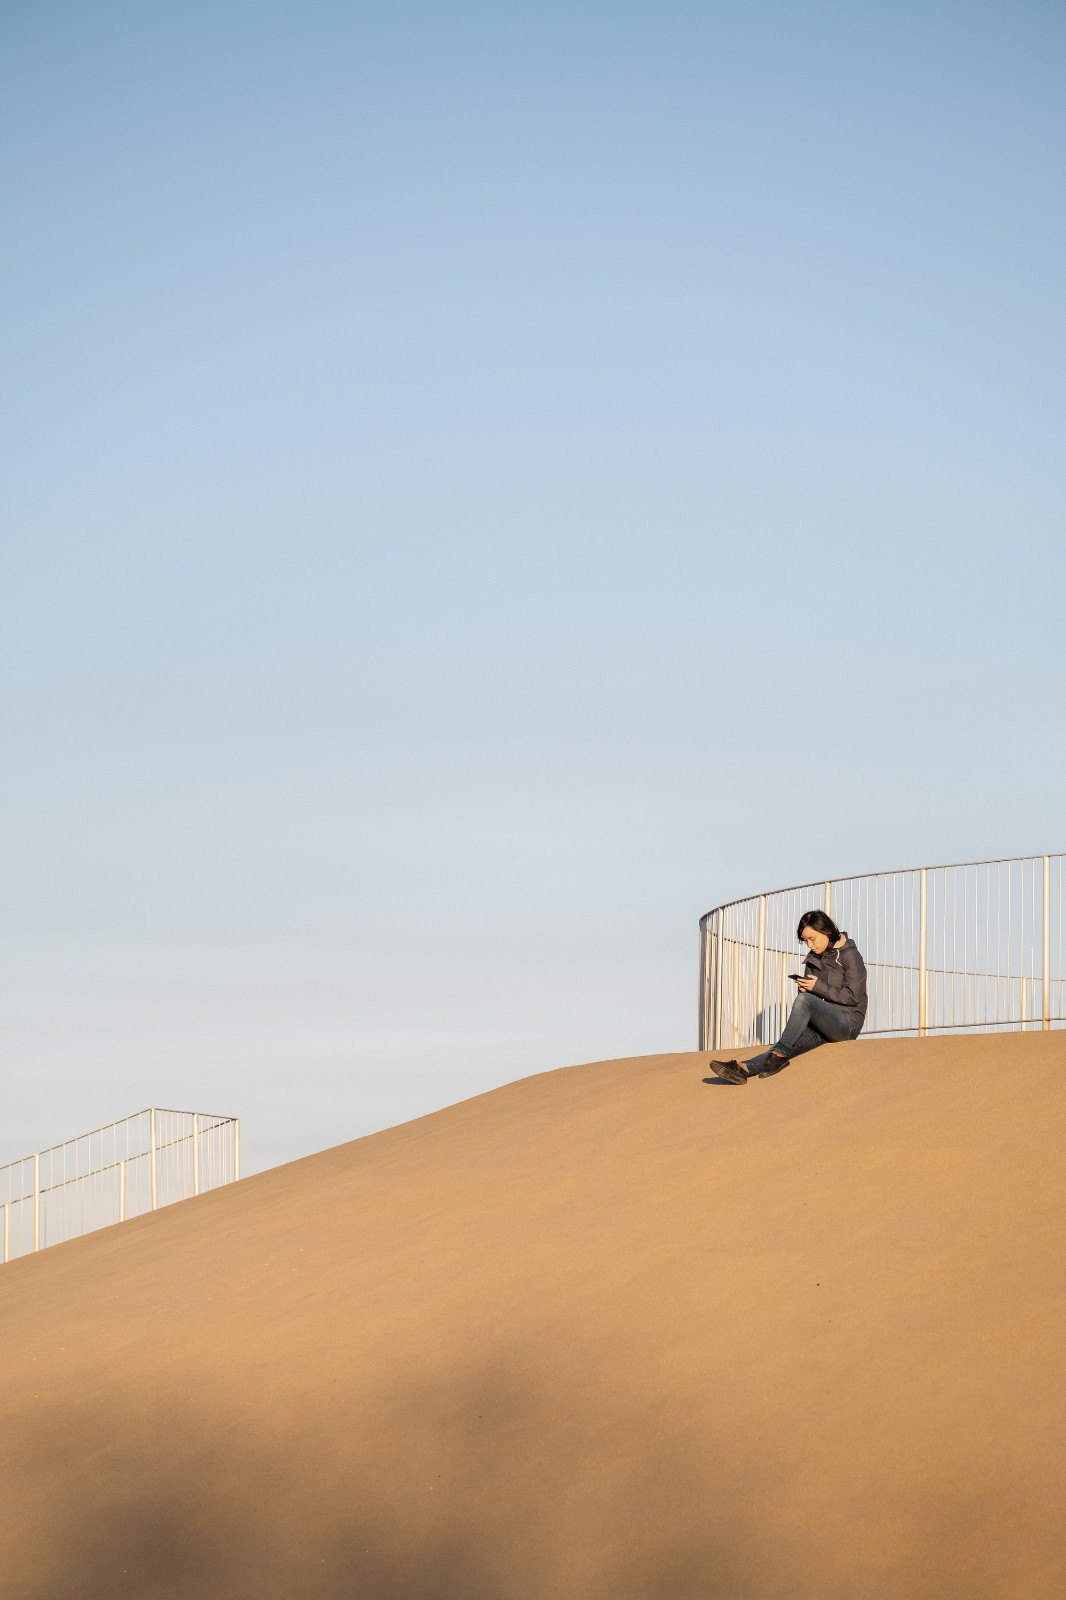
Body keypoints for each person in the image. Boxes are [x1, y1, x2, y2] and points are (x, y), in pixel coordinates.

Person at [713, 911, 867, 1085]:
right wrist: (805, 989)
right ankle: (743, 1068)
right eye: (805, 941)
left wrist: (816, 988)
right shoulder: (813, 959)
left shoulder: (849, 955)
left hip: (847, 1025)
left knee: (787, 1038)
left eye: (812, 939)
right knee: (786, 1044)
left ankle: (779, 1054)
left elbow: (854, 996)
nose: (810, 945)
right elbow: (811, 1000)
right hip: (823, 1025)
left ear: (825, 931)